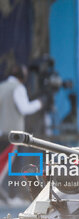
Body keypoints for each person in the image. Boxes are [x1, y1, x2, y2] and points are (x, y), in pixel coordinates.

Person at [0, 64, 44, 202]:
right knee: (8, 166)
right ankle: (13, 196)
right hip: (13, 135)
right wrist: (40, 103)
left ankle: (8, 196)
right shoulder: (18, 88)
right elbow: (25, 108)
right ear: (23, 77)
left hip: (2, 132)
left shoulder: (2, 86)